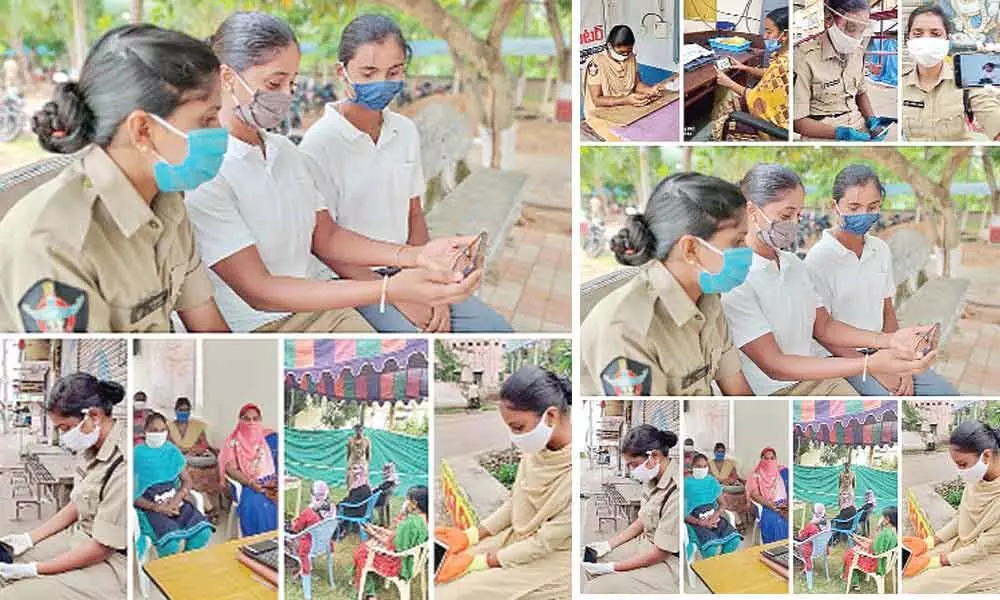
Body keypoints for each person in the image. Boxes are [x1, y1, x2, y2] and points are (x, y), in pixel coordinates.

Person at [186, 12, 482, 333]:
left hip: (317, 308)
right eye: (275, 83)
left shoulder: (284, 151)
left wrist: (419, 256)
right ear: (227, 78)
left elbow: (326, 237)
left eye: (293, 83)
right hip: (257, 327)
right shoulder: (207, 170)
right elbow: (259, 291)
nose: (287, 95)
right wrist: (391, 290)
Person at [0, 25, 233, 333]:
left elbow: (210, 331)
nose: (221, 131)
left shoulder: (167, 203)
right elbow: (88, 376)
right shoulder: (58, 244)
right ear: (143, 130)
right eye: (207, 119)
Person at [298, 14, 511, 333]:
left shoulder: (405, 131)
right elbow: (324, 244)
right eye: (368, 72)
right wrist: (399, 295)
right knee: (415, 340)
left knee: (497, 331)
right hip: (351, 279)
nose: (381, 82)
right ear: (342, 72)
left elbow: (414, 214)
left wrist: (434, 285)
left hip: (410, 267)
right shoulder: (319, 144)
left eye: (393, 72)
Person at [724, 164, 938, 395]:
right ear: (752, 211)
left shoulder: (793, 264)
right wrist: (870, 365)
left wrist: (892, 341)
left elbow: (824, 326)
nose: (795, 224)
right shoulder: (736, 279)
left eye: (799, 214)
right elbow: (775, 366)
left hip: (815, 379)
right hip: (775, 392)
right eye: (786, 215)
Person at [581, 173, 755, 396]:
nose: (746, 251)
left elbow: (737, 389)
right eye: (737, 242)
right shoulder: (628, 331)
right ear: (690, 249)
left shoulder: (708, 300)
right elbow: (651, 424)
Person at [803, 165, 959, 395]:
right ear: (834, 207)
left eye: (872, 207)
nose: (863, 214)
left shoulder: (880, 249)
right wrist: (877, 368)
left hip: (885, 348)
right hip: (843, 357)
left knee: (947, 394)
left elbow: (887, 311)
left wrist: (902, 360)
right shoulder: (817, 261)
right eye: (854, 207)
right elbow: (822, 332)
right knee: (888, 400)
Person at [435, 366, 571, 599]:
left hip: (551, 560)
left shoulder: (575, 476)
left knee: (452, 594)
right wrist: (472, 535)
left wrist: (480, 562)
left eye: (518, 427)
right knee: (442, 569)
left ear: (550, 416)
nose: (514, 436)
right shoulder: (538, 450)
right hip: (518, 539)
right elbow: (517, 501)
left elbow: (543, 544)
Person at [0, 373, 127, 597]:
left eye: (66, 428)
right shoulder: (90, 449)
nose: (64, 436)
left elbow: (102, 548)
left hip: (112, 562)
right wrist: (28, 538)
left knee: (13, 595)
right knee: (5, 560)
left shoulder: (123, 465)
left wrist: (33, 570)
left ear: (94, 415)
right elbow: (78, 503)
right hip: (80, 539)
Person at [903, 421, 1000, 592]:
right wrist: (931, 541)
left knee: (917, 587)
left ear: (986, 456)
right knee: (908, 566)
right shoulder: (977, 480)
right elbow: (962, 516)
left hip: (988, 559)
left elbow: (983, 547)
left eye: (962, 464)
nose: (959, 471)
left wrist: (937, 561)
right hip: (963, 544)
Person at [582, 424, 680, 593]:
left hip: (668, 561)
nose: (631, 471)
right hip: (646, 544)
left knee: (595, 589)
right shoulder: (651, 479)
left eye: (633, 465)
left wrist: (614, 567)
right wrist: (608, 544)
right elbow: (642, 519)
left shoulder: (676, 491)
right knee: (591, 560)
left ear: (654, 456)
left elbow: (661, 552)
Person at [793, 0, 893, 141]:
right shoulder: (804, 58)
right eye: (851, 28)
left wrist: (872, 120)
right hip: (821, 131)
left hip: (858, 123)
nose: (856, 38)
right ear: (829, 18)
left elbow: (861, 92)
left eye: (862, 30)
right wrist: (841, 134)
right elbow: (797, 121)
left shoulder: (857, 52)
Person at [902, 4, 1000, 140]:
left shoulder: (967, 78)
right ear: (908, 40)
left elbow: (989, 111)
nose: (926, 39)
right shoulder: (900, 81)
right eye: (917, 34)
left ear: (947, 40)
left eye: (935, 34)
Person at [133, 412, 214, 557]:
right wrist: (156, 507)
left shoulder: (171, 450)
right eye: (154, 430)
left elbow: (187, 481)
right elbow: (132, 494)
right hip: (149, 506)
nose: (158, 434)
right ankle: (168, 573)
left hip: (175, 501)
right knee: (170, 545)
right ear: (145, 431)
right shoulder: (136, 455)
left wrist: (177, 500)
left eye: (162, 430)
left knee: (203, 533)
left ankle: (184, 566)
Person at [582, 25, 676, 141]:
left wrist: (650, 90)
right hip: (601, 113)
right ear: (610, 46)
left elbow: (637, 84)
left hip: (627, 106)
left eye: (628, 52)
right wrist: (626, 99)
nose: (625, 56)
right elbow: (597, 100)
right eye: (621, 52)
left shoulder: (631, 57)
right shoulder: (596, 63)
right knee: (621, 138)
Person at [712, 7, 791, 140]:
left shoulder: (784, 63)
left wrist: (729, 83)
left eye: (769, 32)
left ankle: (718, 133)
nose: (765, 36)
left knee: (725, 92)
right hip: (775, 106)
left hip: (773, 126)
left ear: (785, 34)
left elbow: (758, 100)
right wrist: (745, 68)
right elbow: (770, 74)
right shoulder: (784, 55)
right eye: (765, 31)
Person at [353, 485, 429, 600]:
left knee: (360, 553)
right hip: (414, 560)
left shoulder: (410, 523)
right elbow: (398, 537)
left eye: (408, 499)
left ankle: (370, 593)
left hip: (400, 564)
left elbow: (396, 546)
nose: (406, 502)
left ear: (415, 503)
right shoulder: (425, 519)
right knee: (366, 548)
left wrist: (373, 534)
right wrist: (378, 530)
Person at [218, 403, 277, 536]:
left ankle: (275, 543)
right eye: (247, 419)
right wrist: (250, 482)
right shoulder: (232, 442)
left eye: (255, 419)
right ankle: (257, 544)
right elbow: (230, 469)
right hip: (244, 484)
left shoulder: (264, 439)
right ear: (240, 420)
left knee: (278, 500)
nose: (251, 423)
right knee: (258, 505)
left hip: (268, 480)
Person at [166, 397, 222, 515]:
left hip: (196, 457)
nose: (184, 412)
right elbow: (168, 446)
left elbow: (204, 444)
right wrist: (183, 451)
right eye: (181, 410)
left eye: (186, 410)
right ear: (176, 410)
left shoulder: (196, 427)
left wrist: (195, 450)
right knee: (188, 471)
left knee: (211, 468)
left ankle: (206, 505)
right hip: (178, 459)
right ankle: (208, 507)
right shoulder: (169, 427)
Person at [685, 453, 742, 559]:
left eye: (704, 466)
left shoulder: (712, 481)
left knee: (734, 541)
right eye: (698, 466)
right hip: (695, 521)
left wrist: (714, 517)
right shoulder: (686, 484)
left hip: (714, 517)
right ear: (692, 467)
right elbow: (683, 513)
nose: (702, 469)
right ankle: (709, 570)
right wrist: (701, 522)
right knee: (710, 548)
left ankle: (722, 565)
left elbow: (723, 503)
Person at [288, 480, 335, 597]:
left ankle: (300, 570)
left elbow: (296, 529)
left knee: (288, 538)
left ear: (311, 495)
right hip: (325, 544)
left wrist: (293, 522)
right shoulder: (333, 508)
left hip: (308, 547)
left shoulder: (307, 512)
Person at [844, 506, 897, 591]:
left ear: (887, 519)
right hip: (886, 561)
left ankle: (854, 581)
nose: (881, 519)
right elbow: (875, 543)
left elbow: (874, 550)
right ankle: (852, 577)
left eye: (882, 516)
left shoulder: (884, 534)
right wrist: (861, 538)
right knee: (854, 550)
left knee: (849, 554)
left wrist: (857, 540)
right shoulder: (893, 532)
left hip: (876, 564)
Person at [746, 447, 788, 544]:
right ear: (761, 459)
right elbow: (754, 494)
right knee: (775, 521)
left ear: (776, 459)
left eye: (772, 458)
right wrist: (770, 505)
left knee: (789, 518)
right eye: (766, 458)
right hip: (766, 505)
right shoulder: (755, 475)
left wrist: (787, 507)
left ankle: (788, 549)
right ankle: (774, 550)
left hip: (784, 503)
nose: (769, 461)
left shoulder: (783, 471)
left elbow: (790, 489)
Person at [709, 443, 752, 529]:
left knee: (733, 495)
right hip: (715, 487)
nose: (720, 453)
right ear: (714, 452)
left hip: (729, 486)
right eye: (718, 451)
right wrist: (717, 481)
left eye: (722, 452)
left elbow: (734, 476)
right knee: (722, 496)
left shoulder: (730, 463)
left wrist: (727, 481)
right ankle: (737, 522)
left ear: (725, 453)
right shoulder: (709, 464)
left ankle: (735, 520)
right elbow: (708, 477)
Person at [795, 503, 829, 587]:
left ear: (813, 512)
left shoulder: (811, 526)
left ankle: (805, 569)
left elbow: (802, 537)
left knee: (795, 544)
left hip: (810, 551)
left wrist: (800, 532)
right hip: (823, 549)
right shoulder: (828, 524)